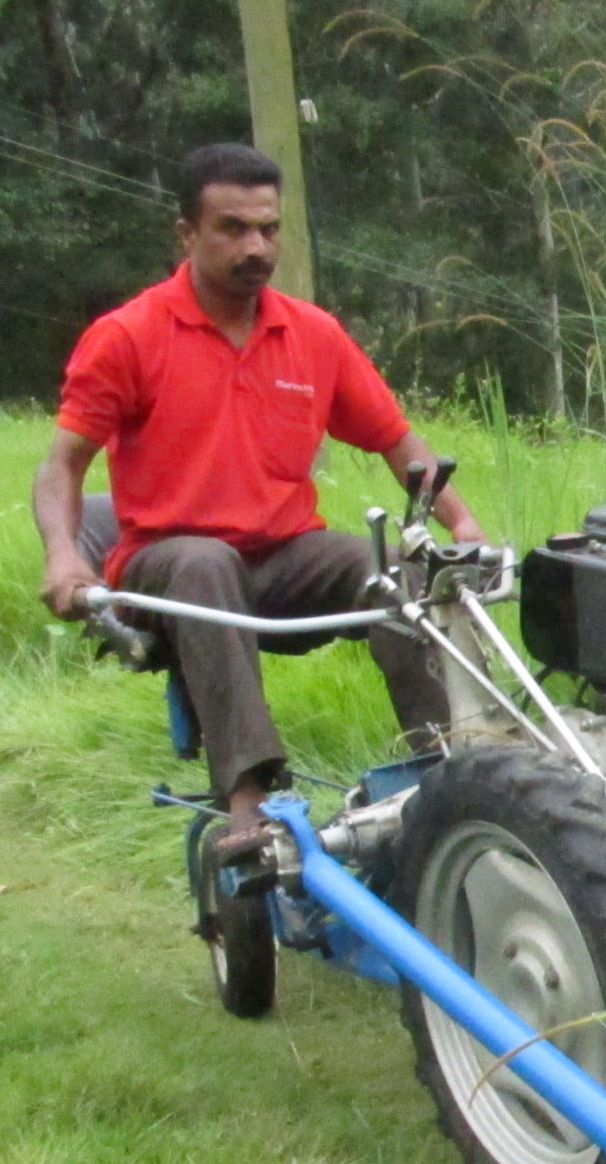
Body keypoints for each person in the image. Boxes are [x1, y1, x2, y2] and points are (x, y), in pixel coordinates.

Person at [33, 142, 486, 858]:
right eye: (233, 228)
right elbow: (62, 466)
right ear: (186, 233)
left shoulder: (312, 335)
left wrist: (462, 526)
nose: (256, 246)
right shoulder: (127, 337)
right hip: (168, 568)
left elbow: (400, 443)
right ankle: (249, 801)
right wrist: (63, 556)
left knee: (407, 568)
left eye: (269, 230)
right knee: (204, 560)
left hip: (285, 560)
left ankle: (454, 769)